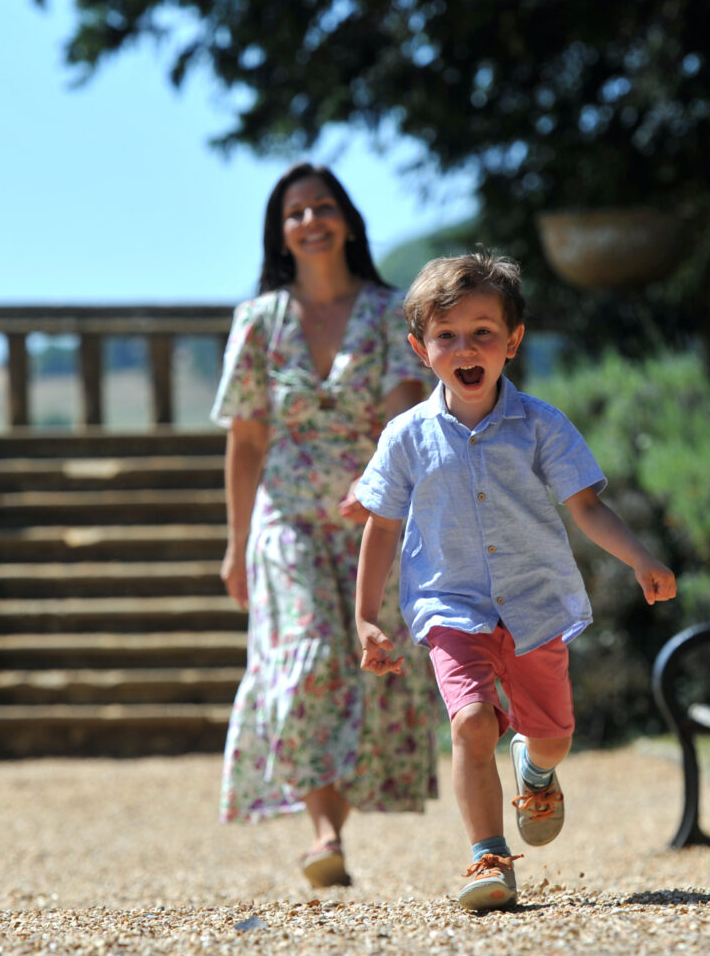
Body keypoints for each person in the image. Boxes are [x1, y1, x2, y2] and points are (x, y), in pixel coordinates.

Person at [352, 251, 677, 911]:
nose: (465, 347)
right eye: (447, 336)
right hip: (450, 606)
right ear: (421, 349)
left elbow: (586, 505)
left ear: (513, 342)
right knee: (470, 722)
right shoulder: (407, 437)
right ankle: (487, 857)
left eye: (483, 333)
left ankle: (537, 768)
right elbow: (381, 525)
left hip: (533, 603)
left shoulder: (540, 425)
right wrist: (365, 614)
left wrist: (639, 557)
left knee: (553, 732)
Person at [210, 162, 438, 889]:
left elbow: (405, 420)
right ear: (280, 235)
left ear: (346, 220)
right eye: (295, 213)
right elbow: (245, 441)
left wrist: (378, 491)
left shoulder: (385, 312)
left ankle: (332, 823)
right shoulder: (259, 322)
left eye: (323, 207)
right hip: (286, 522)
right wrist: (235, 544)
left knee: (361, 668)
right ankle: (323, 833)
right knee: (306, 657)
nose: (311, 221)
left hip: (371, 517)